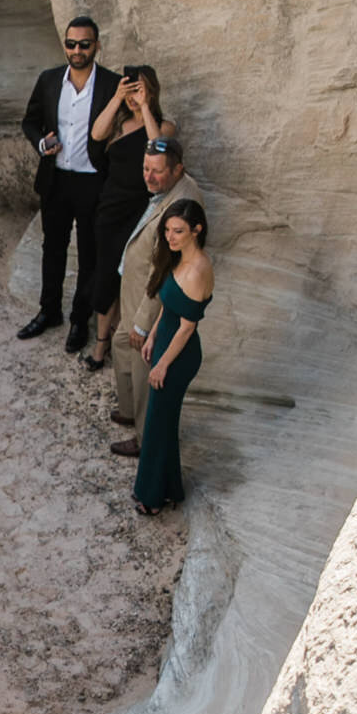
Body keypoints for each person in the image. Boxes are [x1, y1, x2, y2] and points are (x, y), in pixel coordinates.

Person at [18, 15, 120, 350]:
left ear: (97, 46)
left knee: (89, 254)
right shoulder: (49, 80)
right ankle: (49, 312)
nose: (76, 50)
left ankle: (79, 320)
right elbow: (29, 121)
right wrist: (41, 144)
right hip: (56, 178)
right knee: (53, 248)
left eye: (84, 44)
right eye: (71, 43)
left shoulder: (110, 84)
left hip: (93, 181)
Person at [110, 133, 205, 456]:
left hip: (147, 304)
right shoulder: (168, 187)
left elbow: (164, 268)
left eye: (157, 171)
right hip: (134, 293)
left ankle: (143, 438)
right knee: (120, 346)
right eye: (145, 168)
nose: (148, 177)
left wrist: (142, 323)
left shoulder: (182, 206)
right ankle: (128, 411)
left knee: (141, 368)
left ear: (178, 170)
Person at [84, 64, 167, 370]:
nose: (134, 96)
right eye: (131, 89)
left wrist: (145, 107)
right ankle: (102, 342)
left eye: (140, 89)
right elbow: (96, 133)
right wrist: (118, 98)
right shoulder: (118, 126)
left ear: (153, 91)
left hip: (142, 213)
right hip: (111, 210)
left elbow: (157, 148)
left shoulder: (163, 126)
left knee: (132, 277)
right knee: (106, 274)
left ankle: (126, 342)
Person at [133, 200, 213, 516]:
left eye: (178, 231)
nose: (171, 237)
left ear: (197, 230)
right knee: (160, 422)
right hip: (166, 342)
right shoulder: (178, 260)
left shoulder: (198, 271)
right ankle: (168, 489)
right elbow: (168, 307)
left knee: (158, 424)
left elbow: (186, 327)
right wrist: (152, 335)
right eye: (167, 230)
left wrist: (163, 364)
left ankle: (154, 496)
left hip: (179, 356)